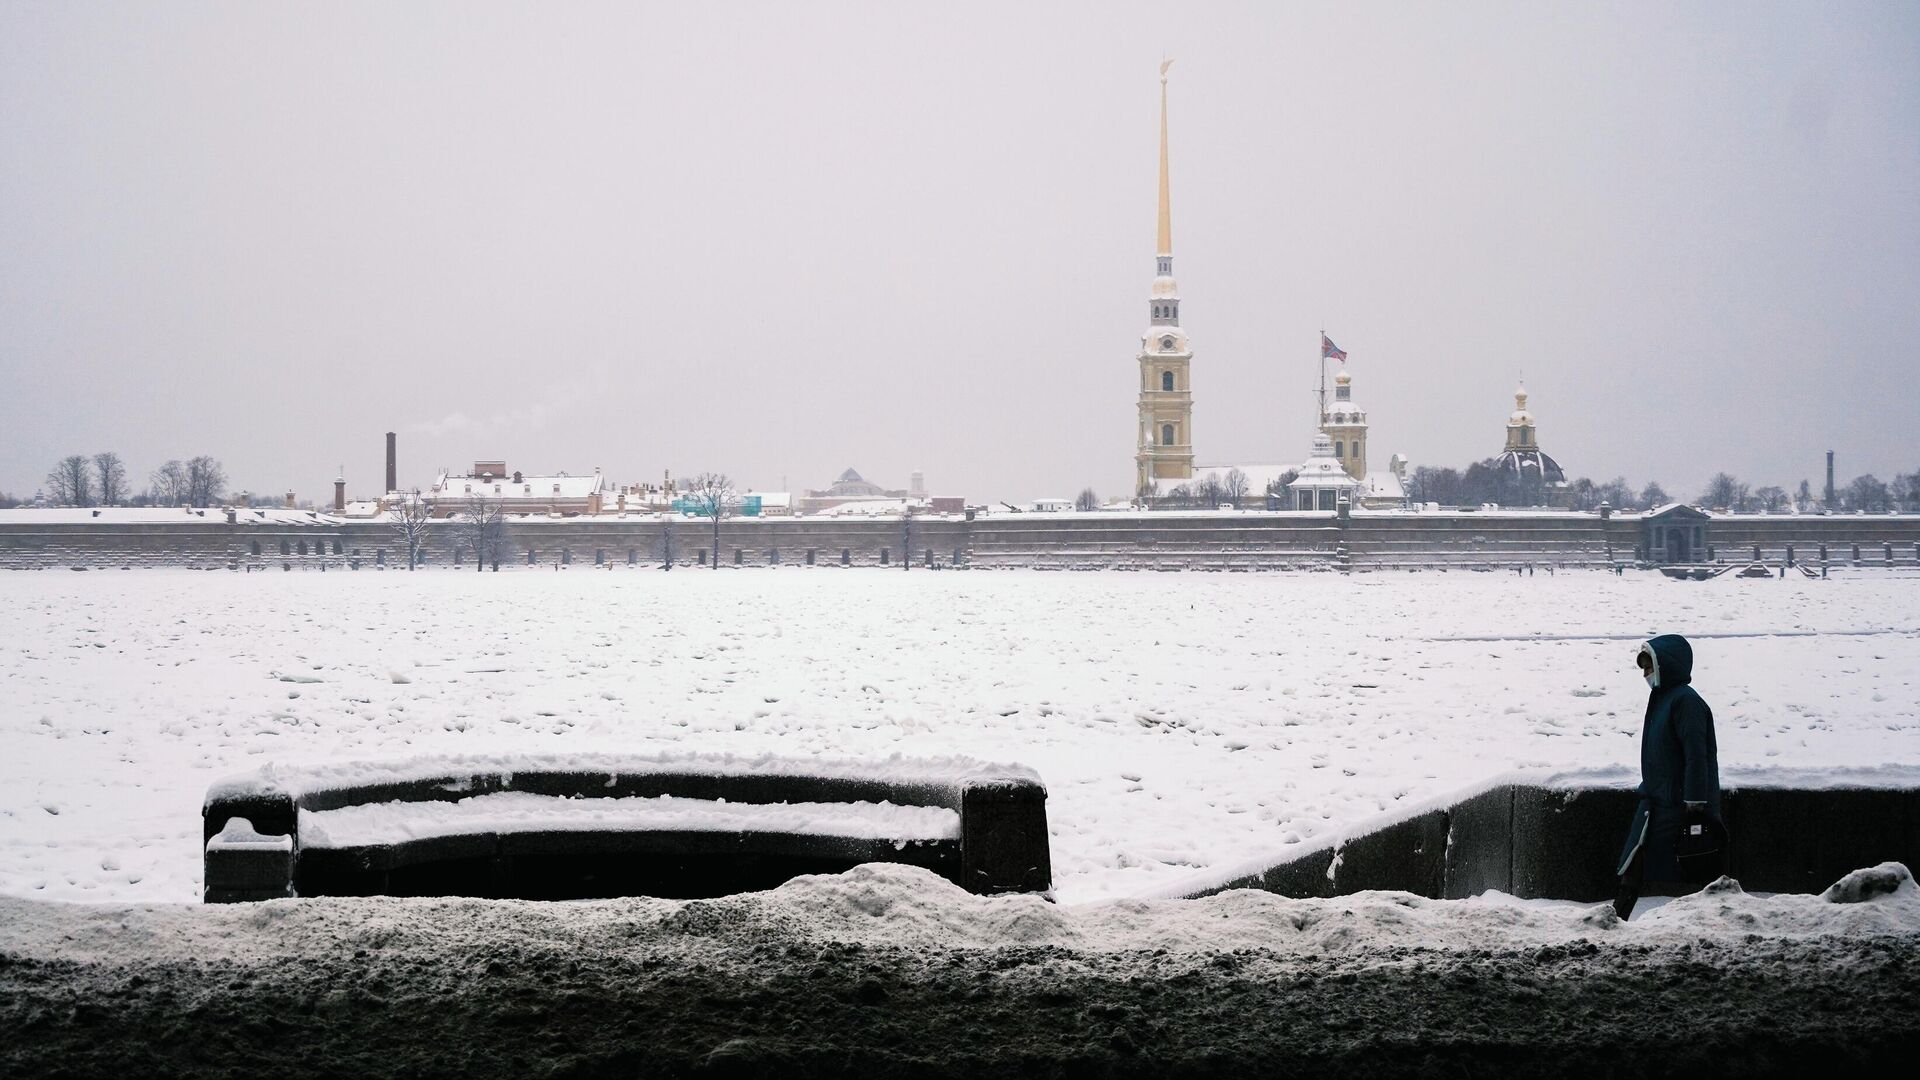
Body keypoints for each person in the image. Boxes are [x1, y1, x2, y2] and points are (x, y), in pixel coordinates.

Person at [1614, 634, 1723, 920]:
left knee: (1692, 864)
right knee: (1634, 862)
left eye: (1648, 667)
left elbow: (1697, 755)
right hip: (1657, 800)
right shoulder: (1663, 697)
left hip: (1678, 805)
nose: (1645, 674)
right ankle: (1616, 919)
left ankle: (1616, 921)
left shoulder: (1685, 702)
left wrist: (1695, 802)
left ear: (1665, 666)